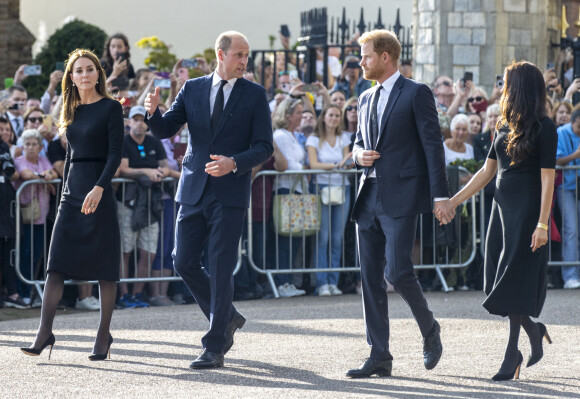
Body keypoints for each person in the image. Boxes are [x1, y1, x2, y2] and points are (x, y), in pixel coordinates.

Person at [144, 31, 273, 369]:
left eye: (247, 55)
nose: (244, 61)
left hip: (230, 193)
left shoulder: (255, 95)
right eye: (239, 54)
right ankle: (226, 316)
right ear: (221, 54)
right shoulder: (193, 88)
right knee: (182, 260)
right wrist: (153, 113)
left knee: (219, 266)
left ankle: (215, 345)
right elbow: (165, 130)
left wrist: (235, 163)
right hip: (193, 189)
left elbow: (264, 147)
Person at [346, 30, 452, 378]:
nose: (360, 61)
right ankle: (379, 354)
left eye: (365, 55)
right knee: (370, 278)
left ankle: (429, 329)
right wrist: (358, 154)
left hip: (402, 196)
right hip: (368, 197)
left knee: (397, 272)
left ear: (386, 56)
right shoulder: (364, 98)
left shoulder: (416, 92)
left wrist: (440, 196)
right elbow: (357, 144)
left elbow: (433, 146)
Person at [445, 60, 557, 380]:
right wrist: (453, 201)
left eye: (506, 83)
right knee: (494, 281)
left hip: (527, 212)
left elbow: (548, 179)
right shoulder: (503, 125)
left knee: (515, 281)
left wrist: (542, 223)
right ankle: (534, 332)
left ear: (519, 87)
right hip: (501, 209)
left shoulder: (544, 126)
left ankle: (512, 355)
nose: (500, 88)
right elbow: (486, 172)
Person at [20, 49, 124, 361]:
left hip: (98, 193)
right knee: (56, 265)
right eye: (78, 70)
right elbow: (69, 155)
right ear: (72, 77)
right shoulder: (71, 107)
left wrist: (99, 188)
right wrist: (66, 189)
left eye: (90, 69)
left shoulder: (111, 107)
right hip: (71, 193)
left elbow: (115, 154)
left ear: (98, 74)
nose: (84, 75)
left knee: (106, 269)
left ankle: (103, 335)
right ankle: (44, 332)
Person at [116, 105, 169, 309]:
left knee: (148, 252)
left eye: (142, 119)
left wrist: (161, 173)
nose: (139, 123)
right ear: (128, 122)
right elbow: (123, 170)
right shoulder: (124, 140)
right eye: (135, 119)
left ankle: (137, 294)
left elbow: (164, 167)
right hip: (128, 202)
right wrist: (148, 171)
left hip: (150, 204)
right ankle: (124, 295)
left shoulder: (154, 141)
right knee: (125, 251)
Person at [306, 104, 353, 296]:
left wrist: (344, 164)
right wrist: (337, 165)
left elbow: (347, 162)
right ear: (323, 117)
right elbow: (313, 163)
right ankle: (321, 282)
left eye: (337, 115)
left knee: (336, 238)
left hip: (343, 189)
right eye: (330, 115)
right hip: (321, 188)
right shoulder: (314, 139)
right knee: (322, 237)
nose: (334, 118)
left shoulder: (344, 138)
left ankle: (333, 281)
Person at [13, 129, 56, 304]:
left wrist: (48, 176)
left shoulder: (43, 160)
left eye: (34, 144)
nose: (31, 148)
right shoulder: (19, 160)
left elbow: (54, 174)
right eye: (27, 144)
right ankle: (21, 291)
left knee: (36, 254)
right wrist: (43, 177)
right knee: (24, 253)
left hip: (41, 216)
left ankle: (30, 292)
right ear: (23, 146)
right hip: (24, 216)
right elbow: (25, 174)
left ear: (40, 147)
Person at [271, 97, 309, 298]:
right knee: (285, 239)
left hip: (298, 190)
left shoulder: (294, 135)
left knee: (294, 238)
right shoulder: (282, 135)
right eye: (298, 113)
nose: (302, 116)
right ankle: (282, 282)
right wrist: (306, 169)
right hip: (286, 190)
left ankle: (287, 281)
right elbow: (286, 164)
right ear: (288, 116)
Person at [555, 109, 580, 289]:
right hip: (566, 187)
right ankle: (570, 275)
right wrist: (575, 155)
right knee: (571, 229)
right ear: (573, 122)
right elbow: (557, 160)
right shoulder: (561, 132)